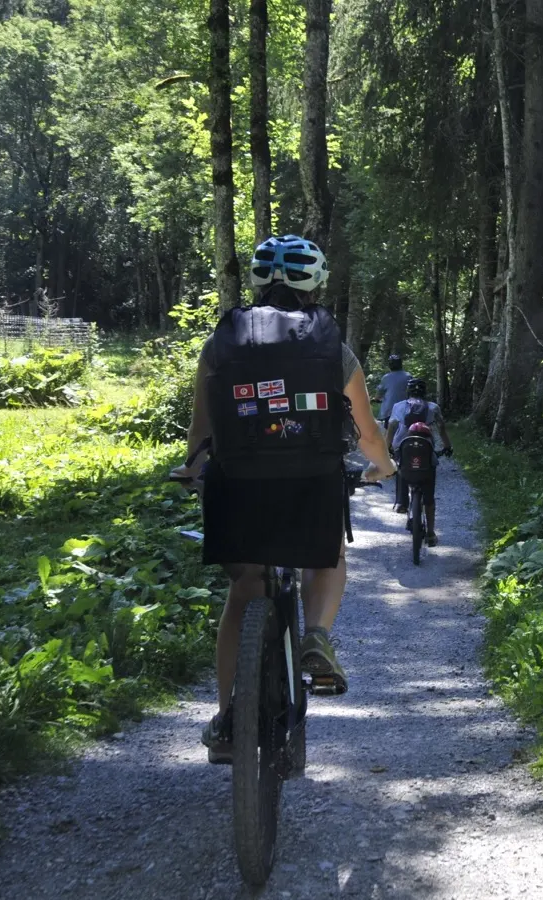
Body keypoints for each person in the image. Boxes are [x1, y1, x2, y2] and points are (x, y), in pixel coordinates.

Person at [173, 234, 397, 764]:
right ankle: (316, 634)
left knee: (245, 587)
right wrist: (382, 466)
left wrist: (192, 467)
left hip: (236, 485)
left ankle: (229, 718)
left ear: (255, 282)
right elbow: (366, 432)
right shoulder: (332, 348)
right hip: (311, 481)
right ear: (315, 284)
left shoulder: (221, 341)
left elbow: (202, 427)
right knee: (329, 557)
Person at [385, 377, 453, 544]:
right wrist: (447, 446)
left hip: (404, 449)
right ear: (425, 392)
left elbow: (392, 426)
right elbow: (442, 427)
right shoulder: (433, 407)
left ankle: (402, 502)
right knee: (429, 494)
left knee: (400, 465)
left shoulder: (398, 406)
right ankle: (430, 533)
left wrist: (387, 447)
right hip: (426, 453)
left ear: (408, 392)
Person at [374, 355, 412, 429]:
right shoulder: (408, 376)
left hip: (389, 412)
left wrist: (376, 399)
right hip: (405, 410)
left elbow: (378, 395)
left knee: (388, 435)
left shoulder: (386, 377)